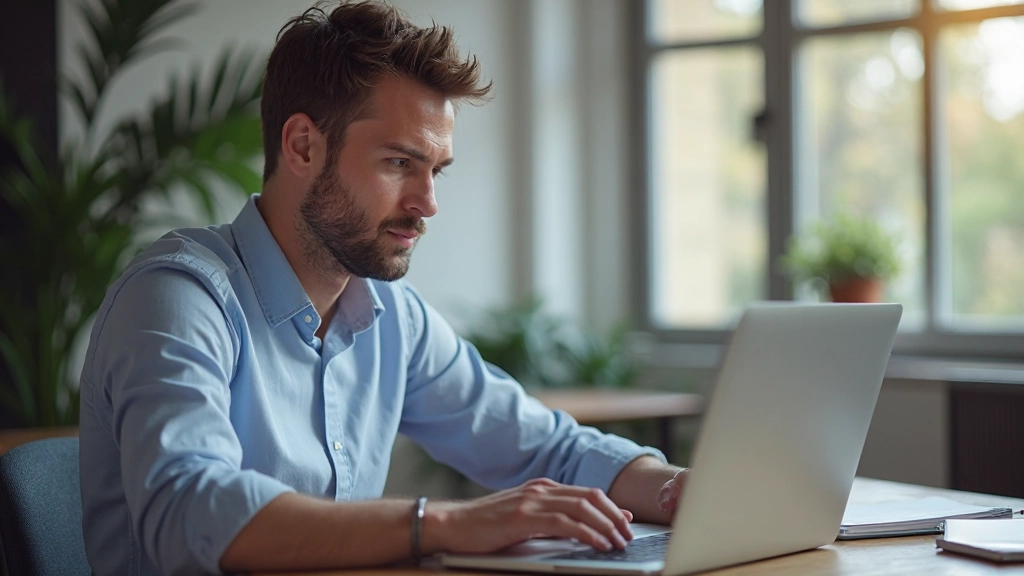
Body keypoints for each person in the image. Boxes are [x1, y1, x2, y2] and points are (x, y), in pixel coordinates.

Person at [78, 2, 688, 575]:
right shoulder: (178, 297)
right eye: (399, 163)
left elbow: (546, 448)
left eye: (436, 170)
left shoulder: (392, 316)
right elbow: (189, 513)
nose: (427, 204)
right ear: (302, 146)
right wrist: (441, 523)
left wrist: (677, 489)